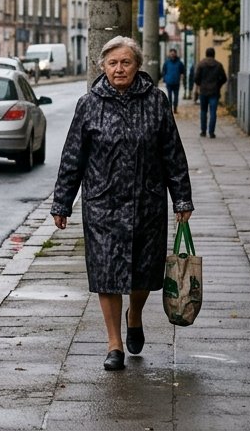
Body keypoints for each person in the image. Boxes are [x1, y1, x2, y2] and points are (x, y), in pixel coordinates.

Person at [50, 35, 194, 372]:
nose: (119, 68)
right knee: (107, 274)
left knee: (144, 273)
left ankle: (136, 314)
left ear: (137, 66)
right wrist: (62, 203)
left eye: (126, 62)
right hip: (103, 204)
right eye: (113, 63)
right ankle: (114, 344)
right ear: (102, 67)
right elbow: (73, 157)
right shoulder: (89, 105)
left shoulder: (157, 101)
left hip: (147, 201)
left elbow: (172, 152)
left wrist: (182, 198)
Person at [193, 47, 228, 138]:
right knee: (213, 112)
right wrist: (218, 85)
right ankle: (211, 132)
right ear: (214, 54)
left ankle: (203, 131)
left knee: (203, 111)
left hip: (204, 91)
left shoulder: (201, 64)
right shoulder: (218, 65)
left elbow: (196, 78)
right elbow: (224, 78)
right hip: (214, 91)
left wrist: (201, 84)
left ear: (206, 54)